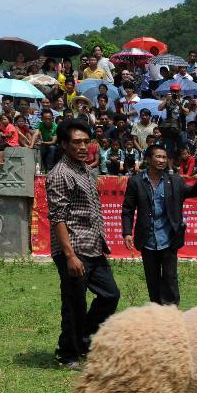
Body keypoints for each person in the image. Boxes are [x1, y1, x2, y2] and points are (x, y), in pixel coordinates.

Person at [45, 120, 121, 369]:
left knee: (110, 294)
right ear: (64, 144)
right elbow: (58, 217)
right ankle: (67, 353)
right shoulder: (60, 174)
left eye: (86, 142)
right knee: (74, 302)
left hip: (93, 246)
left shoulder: (85, 170)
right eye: (77, 142)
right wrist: (69, 256)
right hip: (74, 248)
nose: (83, 146)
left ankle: (82, 338)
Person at [121, 144, 197, 305]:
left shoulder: (175, 180)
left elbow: (192, 192)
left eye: (164, 157)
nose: (161, 160)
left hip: (169, 239)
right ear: (148, 159)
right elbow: (128, 209)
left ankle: (172, 315)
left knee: (170, 279)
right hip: (147, 240)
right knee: (152, 281)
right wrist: (127, 232)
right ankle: (156, 314)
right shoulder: (136, 182)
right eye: (158, 157)